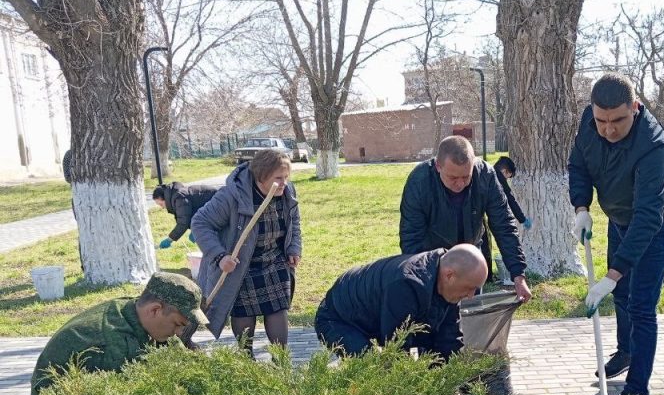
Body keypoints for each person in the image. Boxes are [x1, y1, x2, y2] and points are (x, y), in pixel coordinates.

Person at [568, 73, 664, 395]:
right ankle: (626, 351)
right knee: (620, 297)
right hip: (618, 216)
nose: (609, 129)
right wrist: (582, 208)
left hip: (653, 223)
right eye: (602, 120)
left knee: (641, 305)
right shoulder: (590, 123)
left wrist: (613, 274)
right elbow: (579, 166)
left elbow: (648, 217)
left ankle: (636, 394)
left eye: (618, 120)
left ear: (635, 107)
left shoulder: (652, 146)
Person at [30, 272, 207, 395]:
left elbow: (181, 362)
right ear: (154, 310)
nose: (178, 333)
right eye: (177, 324)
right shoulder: (111, 345)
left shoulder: (133, 309)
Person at [191, 148, 301, 353]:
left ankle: (281, 361)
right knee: (244, 313)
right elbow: (200, 223)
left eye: (287, 177)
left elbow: (294, 221)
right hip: (240, 266)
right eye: (279, 178)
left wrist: (294, 247)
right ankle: (246, 359)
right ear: (261, 177)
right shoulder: (231, 196)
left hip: (274, 261)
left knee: (278, 308)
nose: (284, 183)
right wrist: (220, 256)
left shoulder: (286, 191)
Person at [399, 135, 532, 302]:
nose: (460, 184)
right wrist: (423, 281)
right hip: (434, 264)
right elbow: (411, 238)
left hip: (471, 262)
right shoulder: (419, 182)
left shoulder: (486, 176)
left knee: (471, 320)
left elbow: (504, 225)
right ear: (438, 166)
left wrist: (518, 275)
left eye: (466, 177)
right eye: (453, 178)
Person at [314, 244, 487, 362]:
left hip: (371, 317)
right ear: (450, 275)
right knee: (374, 369)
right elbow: (396, 348)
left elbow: (448, 344)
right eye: (470, 288)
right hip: (337, 320)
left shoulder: (449, 286)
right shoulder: (406, 285)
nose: (471, 296)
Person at [153, 181, 220, 248]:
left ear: (165, 198)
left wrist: (170, 239)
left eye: (161, 204)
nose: (162, 207)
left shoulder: (179, 197)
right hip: (212, 211)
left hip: (218, 208)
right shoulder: (177, 196)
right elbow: (190, 214)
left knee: (208, 239)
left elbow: (183, 223)